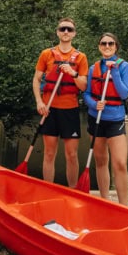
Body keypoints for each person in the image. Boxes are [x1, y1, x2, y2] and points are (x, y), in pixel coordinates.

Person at [32, 19, 88, 187]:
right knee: (49, 153)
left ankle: (72, 191)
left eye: (69, 29)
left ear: (74, 33)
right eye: (62, 29)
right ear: (57, 32)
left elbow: (84, 86)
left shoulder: (80, 57)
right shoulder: (46, 54)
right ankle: (48, 189)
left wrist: (73, 73)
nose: (65, 32)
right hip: (49, 109)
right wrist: (39, 102)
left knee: (71, 154)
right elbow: (36, 80)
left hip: (69, 110)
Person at [83, 32, 128, 205]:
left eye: (111, 43)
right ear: (99, 46)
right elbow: (86, 94)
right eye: (103, 43)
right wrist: (94, 104)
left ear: (116, 46)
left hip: (115, 119)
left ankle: (124, 205)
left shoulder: (124, 66)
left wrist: (115, 72)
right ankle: (104, 201)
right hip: (96, 118)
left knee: (119, 163)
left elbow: (124, 93)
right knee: (101, 160)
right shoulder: (93, 68)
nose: (107, 46)